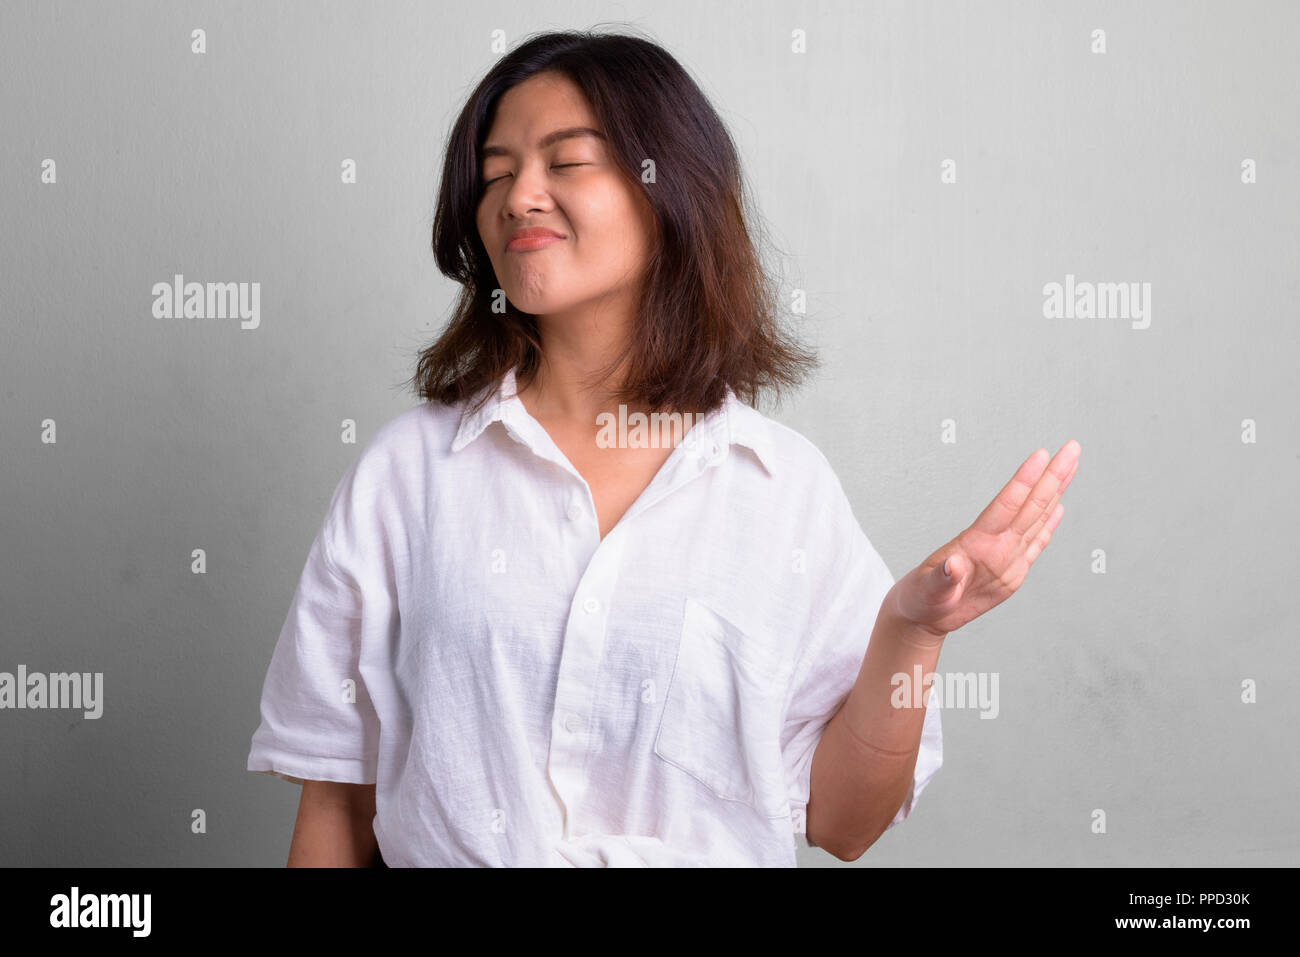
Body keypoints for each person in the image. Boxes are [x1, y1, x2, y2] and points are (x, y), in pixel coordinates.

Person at [246, 28, 1080, 867]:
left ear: (669, 187)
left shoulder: (783, 490)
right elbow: (338, 807)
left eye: (566, 162)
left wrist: (912, 630)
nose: (518, 197)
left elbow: (842, 822)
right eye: (496, 174)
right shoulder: (405, 476)